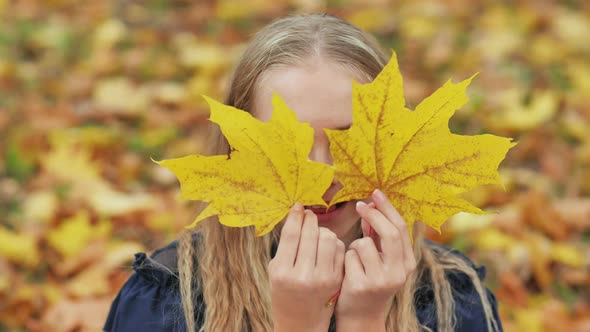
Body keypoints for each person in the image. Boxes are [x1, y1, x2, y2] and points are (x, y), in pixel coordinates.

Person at [104, 13, 503, 332]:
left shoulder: (453, 302)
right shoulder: (167, 301)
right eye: (290, 146)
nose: (322, 173)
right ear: (238, 150)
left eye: (347, 141)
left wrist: (365, 322)